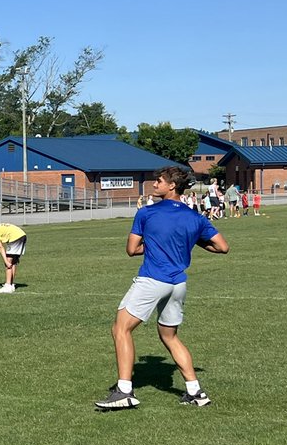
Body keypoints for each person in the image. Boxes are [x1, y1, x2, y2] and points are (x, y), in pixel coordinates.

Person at [95, 166, 229, 411]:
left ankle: (124, 391)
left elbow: (132, 249)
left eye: (158, 181)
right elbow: (222, 246)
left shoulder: (147, 213)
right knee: (169, 336)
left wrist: (155, 246)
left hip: (153, 279)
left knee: (120, 329)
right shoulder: (195, 217)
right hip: (178, 284)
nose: (154, 184)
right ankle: (195, 391)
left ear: (172, 186)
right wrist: (194, 243)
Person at [0, 221, 28, 294]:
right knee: (13, 262)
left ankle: (7, 286)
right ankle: (11, 284)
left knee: (8, 263)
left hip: (15, 238)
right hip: (22, 235)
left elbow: (1, 247)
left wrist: (5, 261)